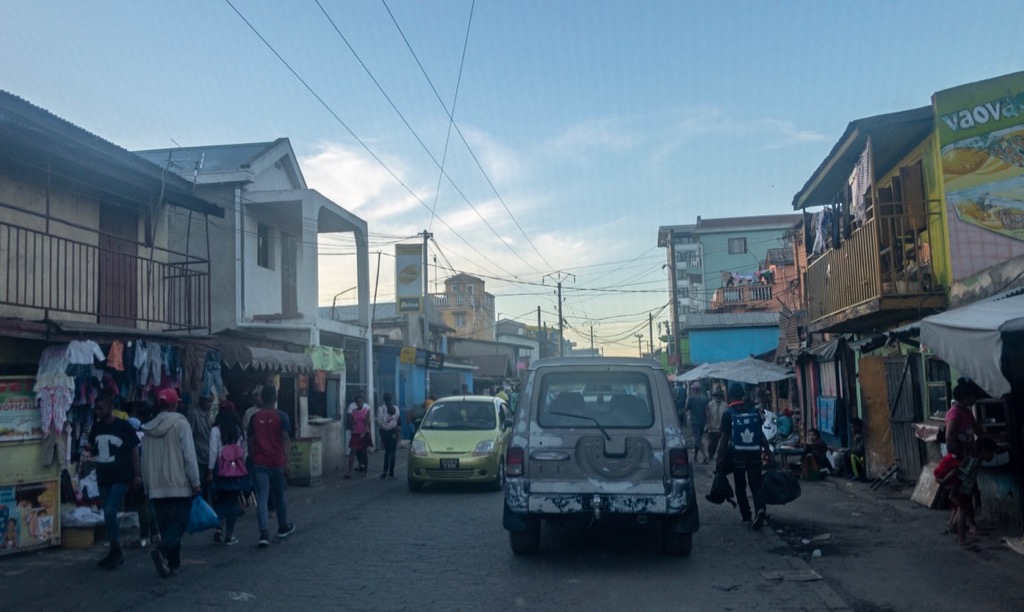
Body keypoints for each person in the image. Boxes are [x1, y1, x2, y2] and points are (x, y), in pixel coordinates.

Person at [141, 388, 200, 578]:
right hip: (179, 484)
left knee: (167, 526)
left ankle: (174, 564)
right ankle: (162, 550)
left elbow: (144, 461)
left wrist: (147, 486)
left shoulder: (148, 429)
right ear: (175, 404)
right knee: (180, 524)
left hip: (156, 487)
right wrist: (196, 482)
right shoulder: (181, 425)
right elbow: (189, 456)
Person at [85, 389, 140, 569]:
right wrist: (87, 452)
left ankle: (116, 549)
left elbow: (134, 451)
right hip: (103, 476)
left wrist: (137, 474)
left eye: (100, 408)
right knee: (108, 513)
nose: (97, 412)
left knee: (109, 510)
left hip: (121, 476)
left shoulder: (124, 427)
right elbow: (93, 448)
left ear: (110, 407)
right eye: (96, 409)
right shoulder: (96, 427)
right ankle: (113, 550)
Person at [248, 384, 295, 547]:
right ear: (275, 398)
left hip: (260, 462)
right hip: (277, 462)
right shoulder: (282, 416)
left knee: (262, 496)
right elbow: (285, 440)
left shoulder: (254, 418)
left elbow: (251, 441)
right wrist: (286, 462)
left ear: (262, 399)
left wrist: (254, 458)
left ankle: (263, 533)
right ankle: (283, 526)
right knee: (280, 495)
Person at [717, 383, 769, 530]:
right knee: (756, 484)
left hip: (737, 456)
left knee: (740, 486)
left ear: (730, 396)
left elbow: (724, 438)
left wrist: (720, 459)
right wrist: (769, 453)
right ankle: (760, 509)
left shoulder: (728, 414)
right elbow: (761, 435)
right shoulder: (753, 411)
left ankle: (746, 515)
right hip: (754, 454)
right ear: (742, 395)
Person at [935, 437, 997, 546]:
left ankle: (956, 530)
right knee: (963, 511)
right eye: (991, 453)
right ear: (983, 452)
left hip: (964, 490)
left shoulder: (976, 459)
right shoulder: (973, 461)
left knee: (963, 510)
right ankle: (962, 538)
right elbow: (958, 471)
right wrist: (946, 482)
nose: (992, 456)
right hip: (962, 490)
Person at [208, 405, 246, 545]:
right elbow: (243, 451)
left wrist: (210, 471)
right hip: (234, 467)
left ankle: (218, 528)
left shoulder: (215, 431)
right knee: (232, 502)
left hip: (220, 468)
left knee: (219, 501)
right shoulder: (238, 430)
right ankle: (229, 534)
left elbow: (212, 452)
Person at [187, 392, 214, 501]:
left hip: (208, 454)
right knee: (199, 483)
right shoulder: (194, 413)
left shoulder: (208, 412)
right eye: (209, 401)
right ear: (202, 400)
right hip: (198, 455)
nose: (210, 404)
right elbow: (189, 434)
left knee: (207, 484)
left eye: (212, 402)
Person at [945, 379, 982, 458]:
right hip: (959, 453)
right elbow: (949, 436)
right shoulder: (955, 412)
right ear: (966, 397)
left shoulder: (968, 411)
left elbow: (976, 429)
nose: (975, 399)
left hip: (968, 451)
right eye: (974, 396)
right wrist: (961, 450)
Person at [346, 392, 372, 477]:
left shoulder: (366, 410)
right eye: (358, 401)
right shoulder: (353, 411)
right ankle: (349, 471)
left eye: (361, 401)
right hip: (355, 433)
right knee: (353, 451)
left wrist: (364, 433)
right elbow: (351, 422)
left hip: (364, 433)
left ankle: (366, 470)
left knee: (364, 452)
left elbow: (367, 423)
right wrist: (353, 424)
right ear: (356, 403)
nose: (360, 403)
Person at [377, 392, 401, 480]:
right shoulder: (396, 409)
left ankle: (384, 472)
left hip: (384, 433)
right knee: (393, 453)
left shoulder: (380, 409)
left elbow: (379, 423)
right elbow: (399, 422)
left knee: (387, 452)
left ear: (383, 399)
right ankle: (391, 473)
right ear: (391, 398)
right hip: (394, 432)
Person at [685, 382, 709, 463]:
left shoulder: (691, 398)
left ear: (693, 389)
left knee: (697, 440)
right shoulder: (705, 398)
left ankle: (705, 456)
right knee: (698, 439)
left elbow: (686, 409)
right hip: (702, 422)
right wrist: (708, 423)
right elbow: (707, 411)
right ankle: (695, 457)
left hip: (694, 422)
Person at [705, 388, 728, 462]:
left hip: (721, 428)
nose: (718, 397)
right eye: (716, 396)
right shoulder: (710, 404)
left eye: (719, 396)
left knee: (722, 445)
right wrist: (708, 424)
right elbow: (708, 416)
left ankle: (721, 457)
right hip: (712, 427)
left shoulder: (725, 405)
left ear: (721, 397)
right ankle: (710, 455)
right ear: (714, 397)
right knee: (712, 444)